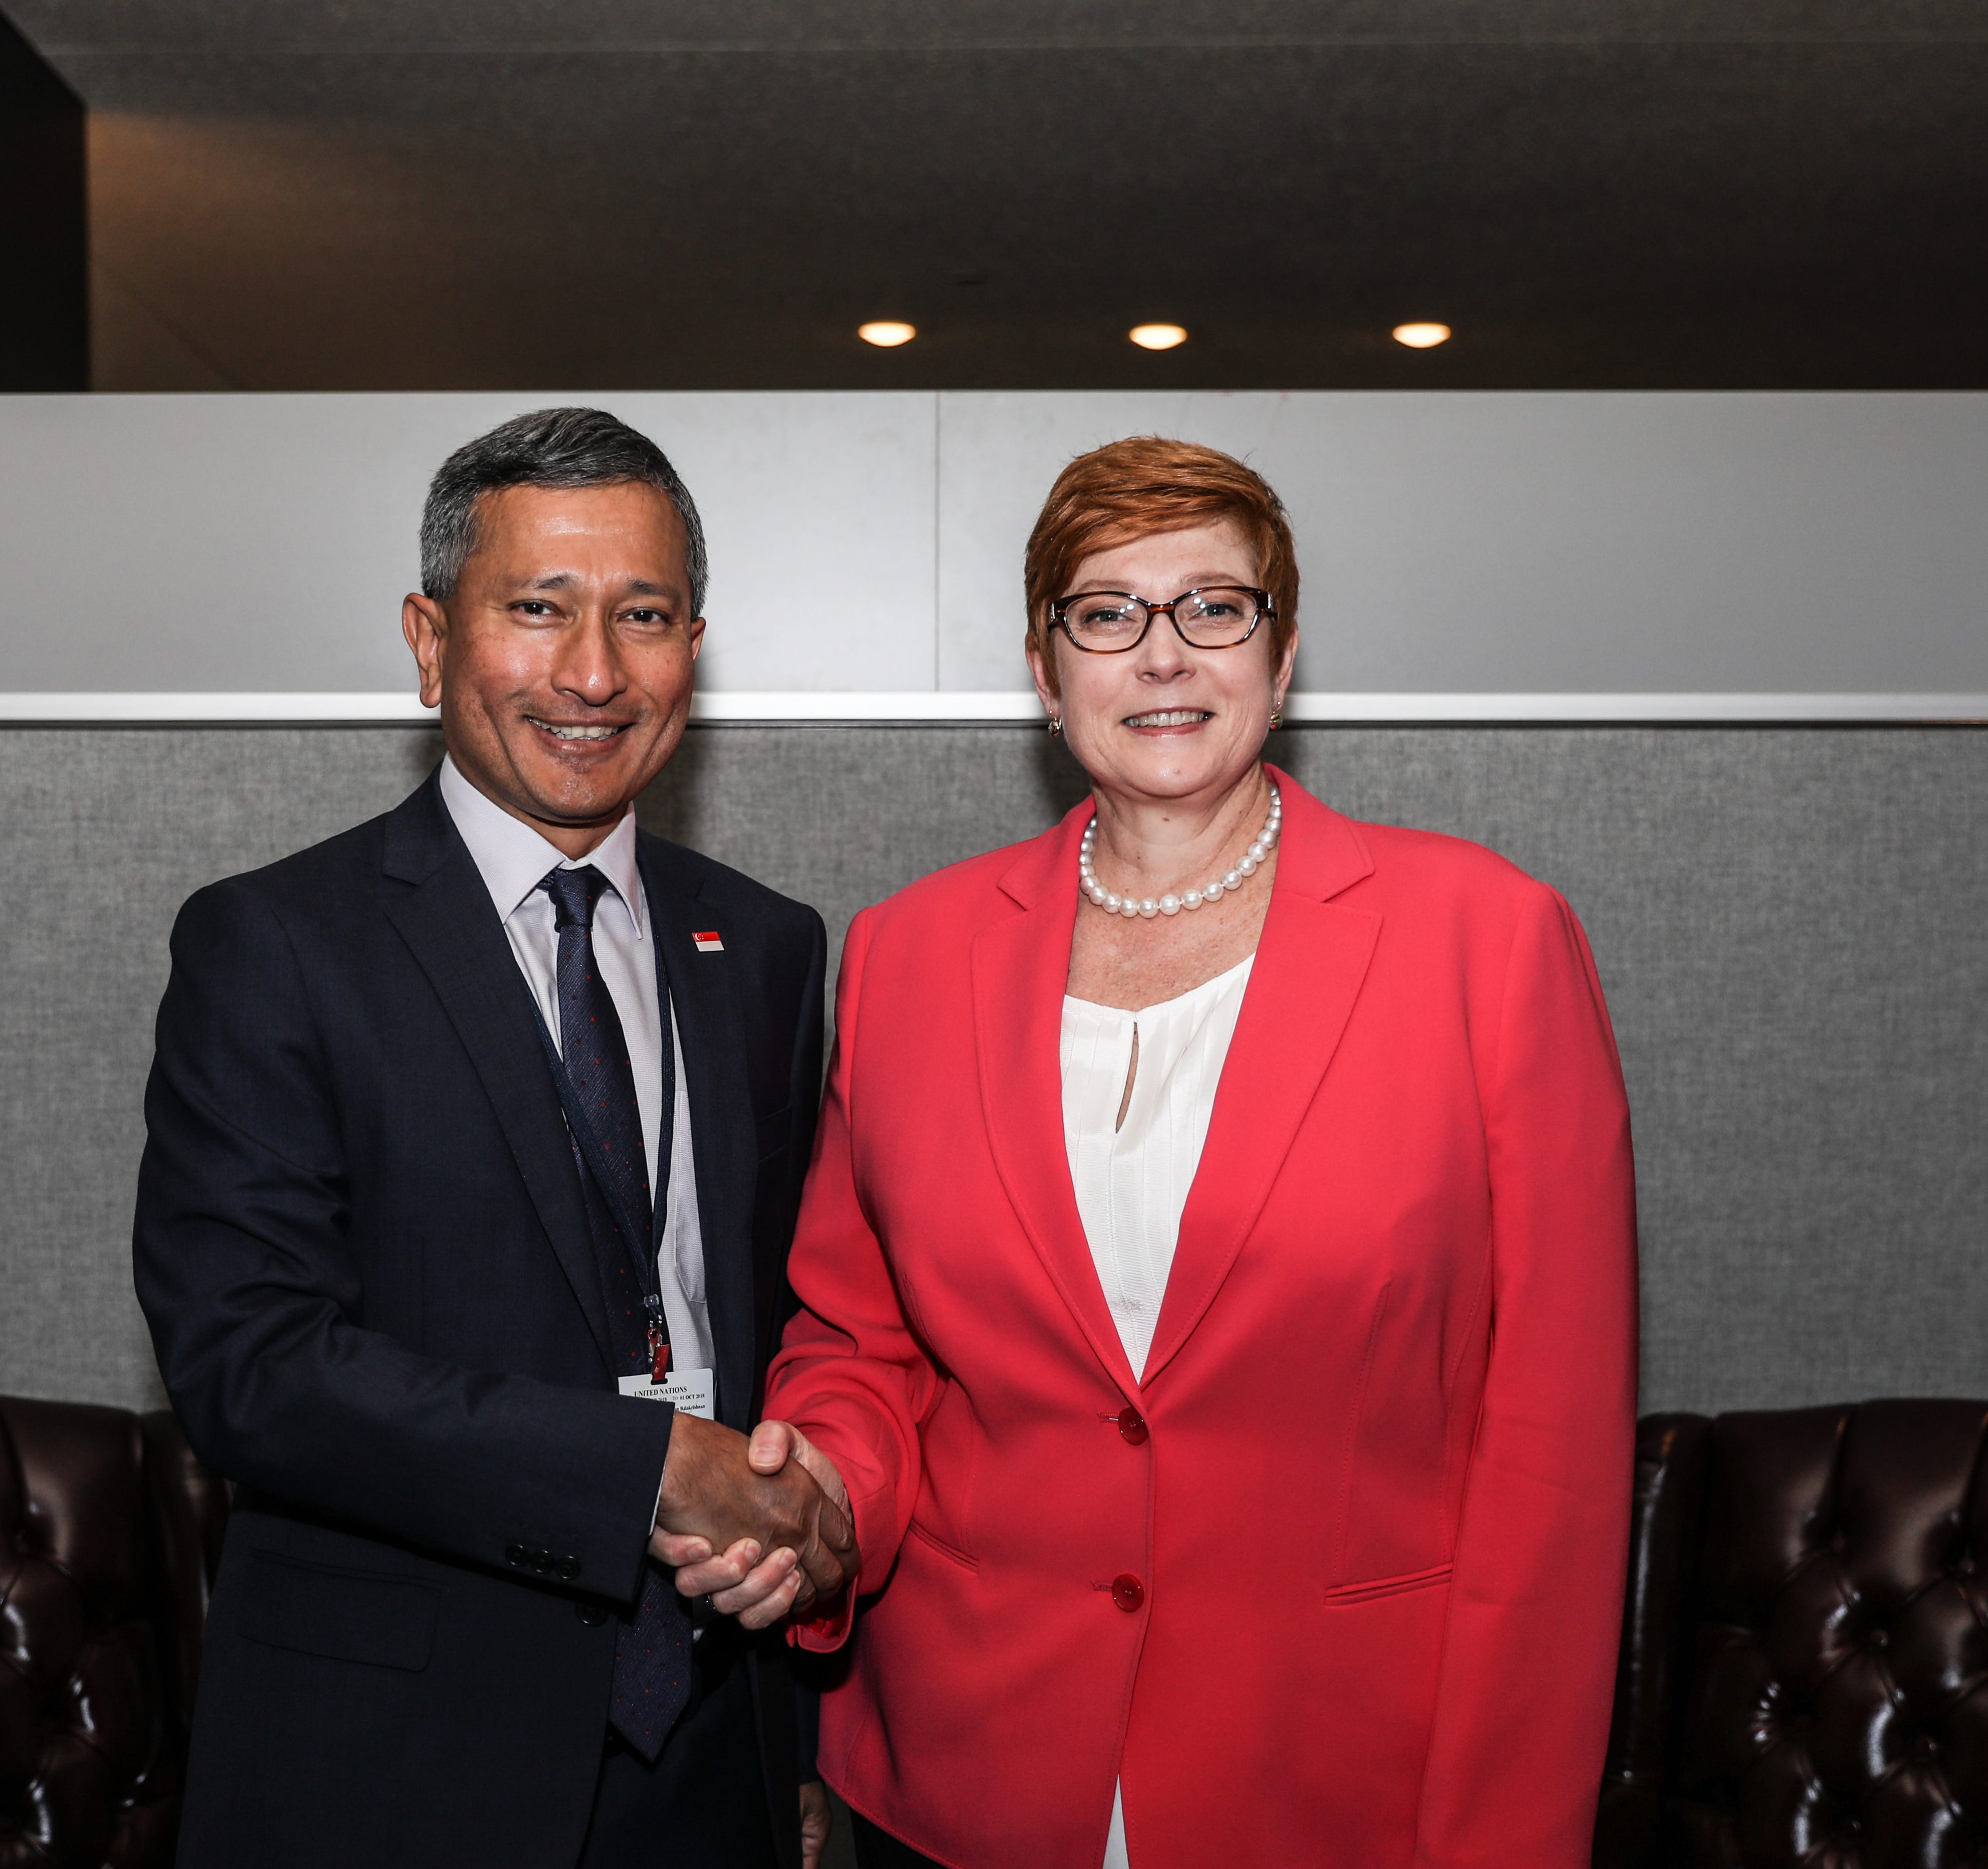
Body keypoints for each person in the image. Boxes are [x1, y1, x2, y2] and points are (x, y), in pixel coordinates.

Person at [678, 437, 1639, 1867]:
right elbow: (859, 1342)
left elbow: (1555, 1453)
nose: (1164, 653)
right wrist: (822, 1494)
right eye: (1107, 612)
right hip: (971, 1765)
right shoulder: (909, 955)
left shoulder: (1488, 944)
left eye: (1215, 607)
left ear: (1283, 653)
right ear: (1044, 667)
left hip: (1338, 1777)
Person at [134, 407, 854, 1869]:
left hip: (714, 1750)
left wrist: (801, 1666)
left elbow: (790, 1325)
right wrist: (642, 1465)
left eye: (642, 615)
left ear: (692, 648)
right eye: (538, 608)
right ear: (428, 638)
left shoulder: (765, 948)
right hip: (398, 1767)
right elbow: (249, 1364)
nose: (593, 673)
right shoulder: (279, 943)